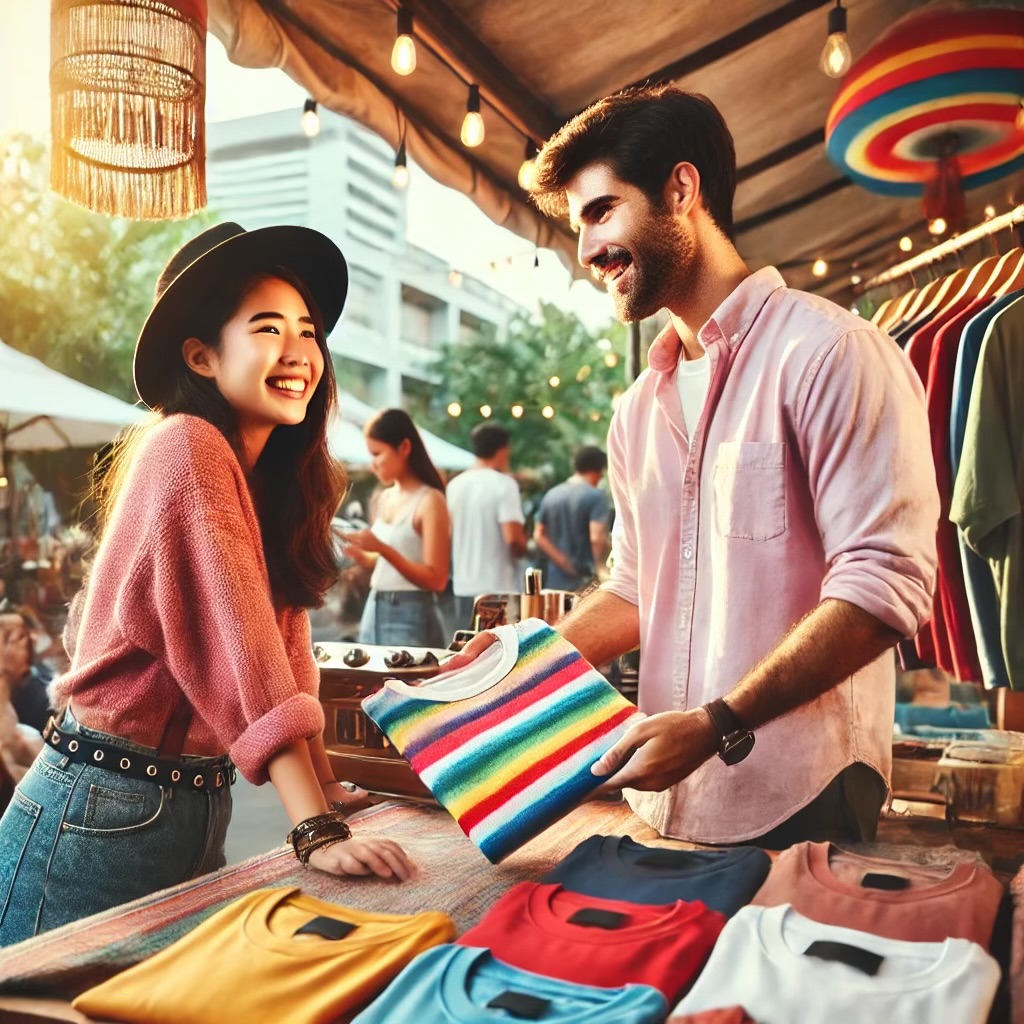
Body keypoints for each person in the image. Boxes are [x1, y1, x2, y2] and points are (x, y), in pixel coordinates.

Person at [453, 86, 939, 848]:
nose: (585, 251)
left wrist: (720, 723)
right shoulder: (638, 409)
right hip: (665, 800)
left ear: (681, 189)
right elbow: (634, 587)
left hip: (806, 794)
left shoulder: (831, 354)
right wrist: (523, 662)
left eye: (600, 212)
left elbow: (884, 588)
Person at [0, 223, 413, 946]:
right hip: (95, 812)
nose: (298, 351)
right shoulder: (186, 445)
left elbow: (286, 658)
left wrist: (328, 786)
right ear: (201, 354)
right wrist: (314, 825)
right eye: (267, 327)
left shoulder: (262, 480)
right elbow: (247, 657)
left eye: (308, 331)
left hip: (181, 806)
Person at [341, 409, 450, 649]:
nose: (373, 464)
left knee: (406, 685)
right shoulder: (384, 498)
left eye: (377, 454)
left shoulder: (430, 500)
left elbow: (437, 579)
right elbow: (385, 561)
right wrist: (365, 557)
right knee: (373, 685)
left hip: (411, 611)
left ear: (404, 447)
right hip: (374, 606)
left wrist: (381, 548)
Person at [446, 424, 528, 629]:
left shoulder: (455, 485)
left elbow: (448, 534)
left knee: (464, 653)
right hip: (497, 589)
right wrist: (524, 547)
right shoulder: (505, 484)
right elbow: (513, 539)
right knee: (501, 654)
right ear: (502, 450)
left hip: (462, 586)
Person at [534, 446, 611, 591]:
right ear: (600, 470)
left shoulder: (552, 494)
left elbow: (539, 535)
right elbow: (597, 537)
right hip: (584, 585)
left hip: (554, 583)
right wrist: (599, 571)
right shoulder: (596, 496)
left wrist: (563, 562)